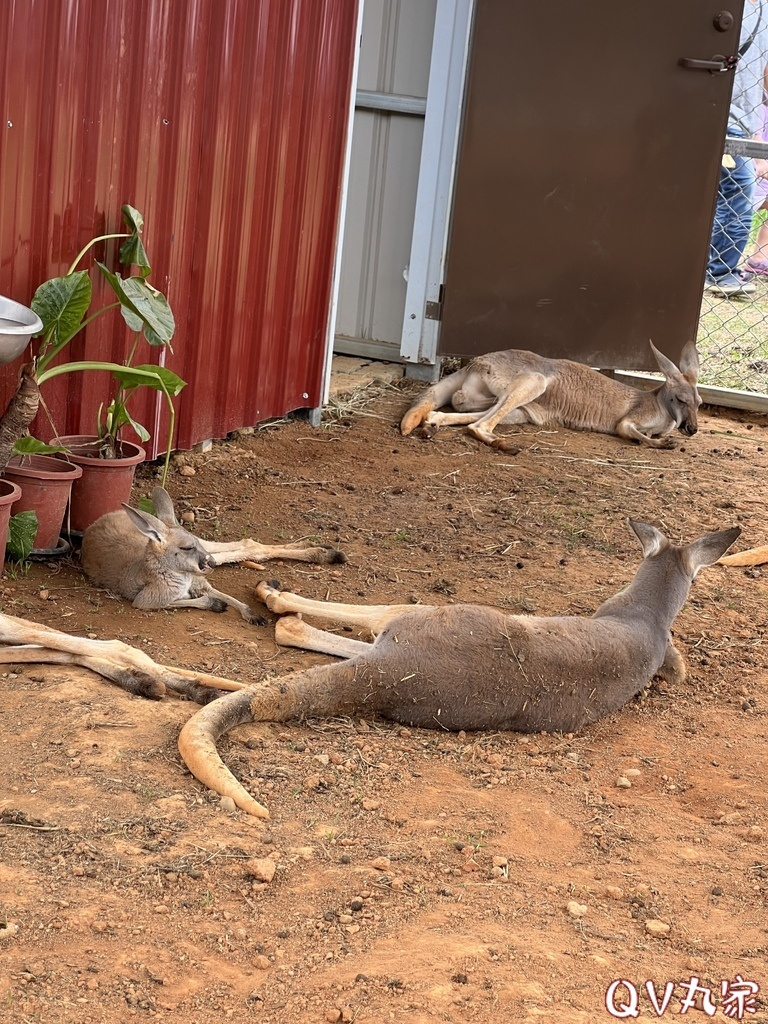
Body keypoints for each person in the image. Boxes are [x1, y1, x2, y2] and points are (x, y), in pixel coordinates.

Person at [705, 0, 768, 298]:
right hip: (718, 111)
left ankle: (712, 268)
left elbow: (762, 69)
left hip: (743, 117)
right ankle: (720, 273)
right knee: (739, 193)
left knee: (725, 195)